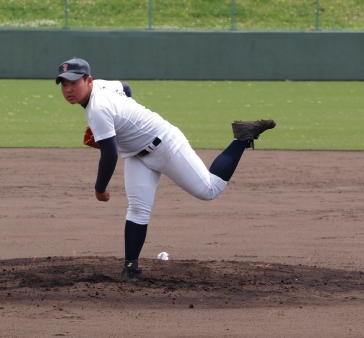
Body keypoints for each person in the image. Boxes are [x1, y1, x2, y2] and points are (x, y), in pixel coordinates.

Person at [56, 57, 276, 282]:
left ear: (88, 81)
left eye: (74, 83)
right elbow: (126, 88)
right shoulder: (102, 86)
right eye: (64, 84)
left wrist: (100, 189)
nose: (69, 89)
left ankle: (242, 137)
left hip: (166, 144)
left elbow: (110, 154)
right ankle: (130, 268)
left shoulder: (97, 109)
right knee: (138, 209)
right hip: (136, 156)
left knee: (209, 189)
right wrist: (125, 122)